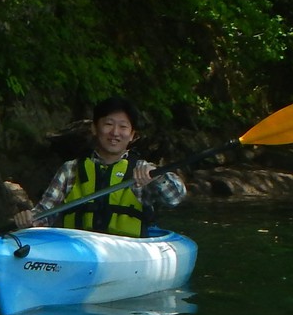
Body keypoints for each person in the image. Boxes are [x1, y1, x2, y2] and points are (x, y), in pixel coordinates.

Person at [13, 96, 186, 236]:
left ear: (132, 135)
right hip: (78, 250)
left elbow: (176, 198)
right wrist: (30, 221)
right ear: (95, 128)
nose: (115, 133)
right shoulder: (70, 169)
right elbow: (44, 214)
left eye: (123, 127)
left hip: (127, 252)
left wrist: (158, 177)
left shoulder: (142, 170)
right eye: (108, 124)